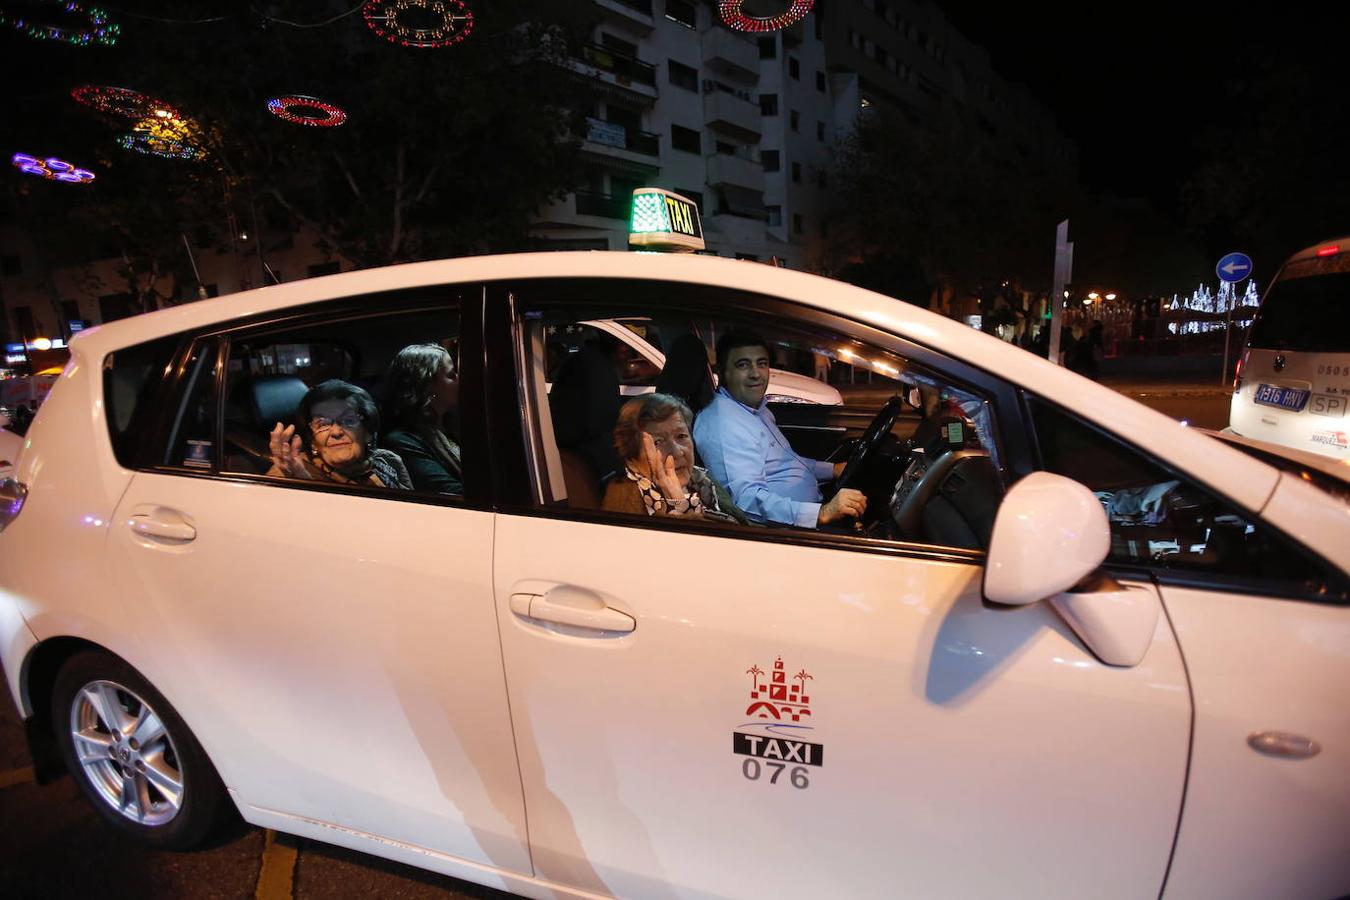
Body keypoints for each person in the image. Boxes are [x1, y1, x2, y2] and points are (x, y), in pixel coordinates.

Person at [693, 329, 866, 528]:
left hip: (807, 513)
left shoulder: (755, 410)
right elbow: (746, 501)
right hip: (785, 534)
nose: (756, 374)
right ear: (723, 372)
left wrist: (832, 470)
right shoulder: (723, 422)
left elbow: (787, 463)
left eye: (762, 363)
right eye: (743, 365)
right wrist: (822, 513)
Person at [602, 393, 749, 524]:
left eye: (681, 436)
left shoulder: (701, 478)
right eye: (658, 442)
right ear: (632, 456)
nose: (678, 452)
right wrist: (679, 507)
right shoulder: (624, 505)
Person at [269, 380, 411, 489]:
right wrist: (303, 490)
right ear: (312, 441)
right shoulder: (290, 471)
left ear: (367, 432)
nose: (336, 432)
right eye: (323, 424)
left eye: (348, 420)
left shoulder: (389, 460)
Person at [383, 343, 463, 494]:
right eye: (451, 375)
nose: (459, 379)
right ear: (427, 386)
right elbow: (448, 491)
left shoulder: (446, 425)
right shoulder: (402, 441)